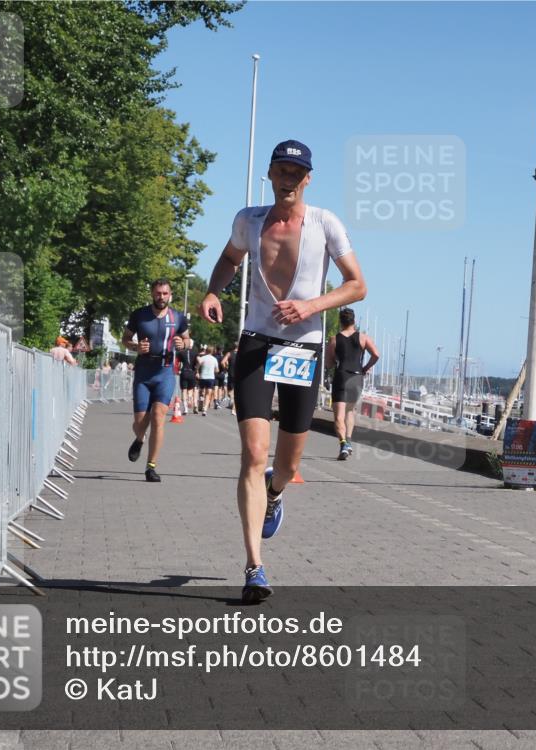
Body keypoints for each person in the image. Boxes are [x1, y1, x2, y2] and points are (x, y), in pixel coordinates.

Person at [200, 139, 366, 603]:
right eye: (281, 170)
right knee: (253, 454)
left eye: (297, 172)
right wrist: (214, 291)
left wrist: (311, 306)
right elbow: (229, 259)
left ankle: (275, 492)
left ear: (307, 178)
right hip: (256, 341)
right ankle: (254, 566)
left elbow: (357, 285)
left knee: (288, 464)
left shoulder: (325, 223)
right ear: (270, 174)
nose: (288, 178)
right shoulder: (248, 220)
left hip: (303, 348)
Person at [121, 279, 190, 482]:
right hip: (144, 371)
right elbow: (125, 339)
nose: (161, 297)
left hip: (165, 372)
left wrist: (183, 344)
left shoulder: (178, 317)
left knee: (159, 417)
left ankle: (151, 466)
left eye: (165, 293)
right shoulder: (139, 315)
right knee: (140, 422)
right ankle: (140, 438)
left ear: (170, 295)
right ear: (152, 294)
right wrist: (135, 347)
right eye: (158, 293)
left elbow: (187, 340)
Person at [327, 307, 379, 459]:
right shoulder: (363, 338)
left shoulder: (334, 339)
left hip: (341, 377)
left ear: (340, 322)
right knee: (350, 411)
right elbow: (376, 355)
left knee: (339, 416)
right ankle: (348, 442)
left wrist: (335, 359)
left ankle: (343, 444)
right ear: (354, 321)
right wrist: (365, 368)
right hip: (357, 378)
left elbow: (329, 363)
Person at [196, 345, 220, 414]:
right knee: (208, 394)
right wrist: (213, 370)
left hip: (202, 377)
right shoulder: (214, 359)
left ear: (206, 351)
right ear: (212, 352)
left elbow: (197, 366)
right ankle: (205, 409)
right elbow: (217, 370)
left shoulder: (202, 358)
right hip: (210, 378)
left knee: (201, 391)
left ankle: (201, 402)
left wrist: (197, 372)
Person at [177, 339, 198, 413]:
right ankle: (190, 399)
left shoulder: (181, 352)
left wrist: (178, 370)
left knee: (184, 390)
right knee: (191, 389)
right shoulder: (195, 353)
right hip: (192, 372)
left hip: (184, 372)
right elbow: (198, 362)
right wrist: (197, 370)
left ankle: (185, 408)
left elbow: (179, 363)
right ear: (192, 345)